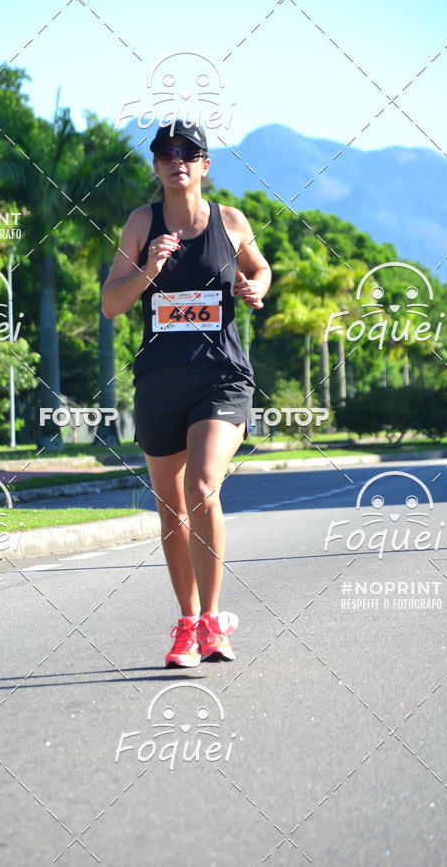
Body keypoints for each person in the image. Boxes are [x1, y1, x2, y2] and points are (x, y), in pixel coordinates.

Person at [101, 120, 271, 668]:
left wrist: (255, 287)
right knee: (171, 508)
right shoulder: (140, 225)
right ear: (156, 165)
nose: (178, 159)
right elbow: (111, 304)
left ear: (205, 164)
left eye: (189, 151)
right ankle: (187, 623)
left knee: (201, 483)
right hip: (159, 381)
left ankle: (214, 622)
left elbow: (260, 267)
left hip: (221, 378)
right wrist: (149, 268)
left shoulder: (229, 221)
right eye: (166, 152)